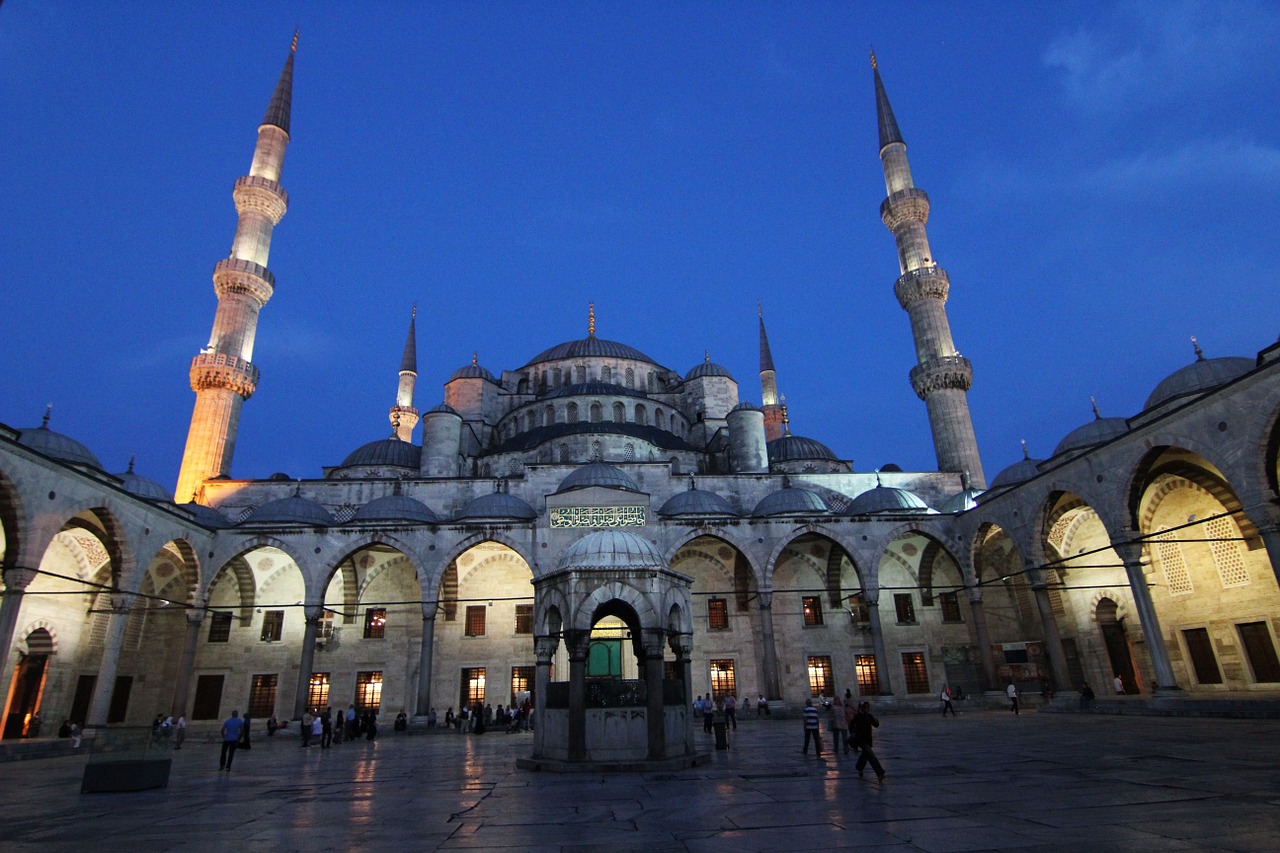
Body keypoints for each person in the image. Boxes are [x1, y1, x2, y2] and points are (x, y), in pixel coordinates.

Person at [850, 702, 885, 780]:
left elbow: (875, 725)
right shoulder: (857, 717)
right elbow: (851, 726)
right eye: (865, 708)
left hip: (868, 740)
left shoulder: (869, 716)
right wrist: (853, 734)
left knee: (864, 755)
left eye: (867, 707)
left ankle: (859, 767)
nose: (867, 709)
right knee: (872, 756)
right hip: (861, 740)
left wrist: (877, 721)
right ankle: (880, 773)